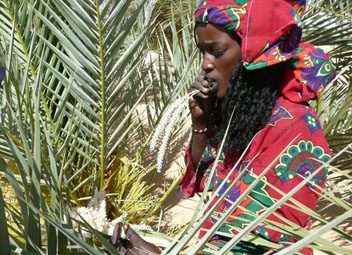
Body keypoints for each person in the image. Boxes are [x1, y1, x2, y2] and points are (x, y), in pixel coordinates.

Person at [111, 0, 336, 254]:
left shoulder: (295, 128)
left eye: (216, 52)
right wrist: (201, 124)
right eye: (202, 52)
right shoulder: (240, 115)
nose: (206, 64)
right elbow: (202, 181)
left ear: (254, 55)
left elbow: (256, 239)